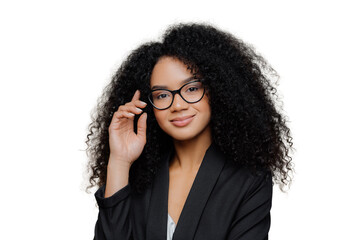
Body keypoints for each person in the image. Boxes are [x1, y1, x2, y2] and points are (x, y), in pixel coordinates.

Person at [85, 22, 294, 240]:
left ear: (217, 88)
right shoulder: (139, 176)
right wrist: (119, 161)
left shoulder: (249, 180)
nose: (177, 105)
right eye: (162, 95)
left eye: (192, 88)